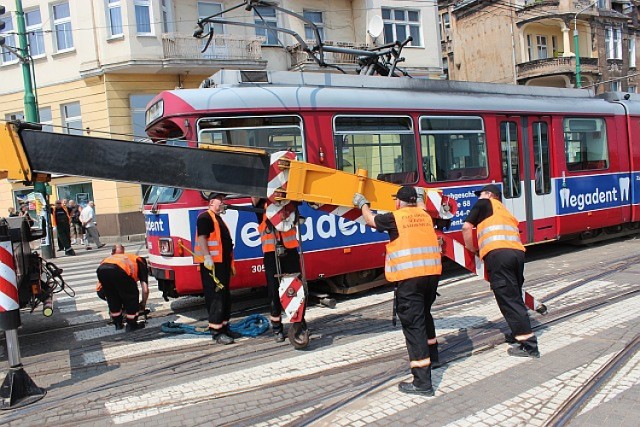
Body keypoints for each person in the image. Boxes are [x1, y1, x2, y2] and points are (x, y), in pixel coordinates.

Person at [353, 185, 442, 396]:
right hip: (431, 276)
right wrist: (421, 196)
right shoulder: (424, 215)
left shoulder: (396, 217)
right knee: (424, 316)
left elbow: (371, 220)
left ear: (398, 202)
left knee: (414, 326)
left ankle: (422, 383)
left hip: (410, 280)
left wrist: (362, 204)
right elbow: (420, 205)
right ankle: (434, 358)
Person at [461, 183, 540, 358]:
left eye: (480, 194)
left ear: (489, 194)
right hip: (517, 254)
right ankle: (517, 333)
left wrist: (471, 248)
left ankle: (529, 346)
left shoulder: (484, 204)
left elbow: (466, 227)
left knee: (508, 299)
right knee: (515, 297)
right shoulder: (504, 211)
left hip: (498, 255)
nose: (478, 198)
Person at [252, 197, 301, 342]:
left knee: (295, 287)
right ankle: (277, 327)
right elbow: (254, 198)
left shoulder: (290, 203)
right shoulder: (261, 205)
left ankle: (298, 323)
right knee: (274, 291)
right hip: (271, 253)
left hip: (290, 250)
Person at [195, 193, 236, 345]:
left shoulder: (219, 219)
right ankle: (217, 332)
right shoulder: (205, 217)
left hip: (221, 264)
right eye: (221, 200)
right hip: (212, 266)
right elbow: (202, 238)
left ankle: (224, 327)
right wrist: (207, 257)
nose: (223, 202)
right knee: (216, 297)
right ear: (212, 202)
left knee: (224, 296)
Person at [96, 244, 149, 332]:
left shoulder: (111, 258)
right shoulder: (140, 261)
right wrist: (142, 304)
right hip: (119, 272)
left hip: (101, 272)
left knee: (112, 296)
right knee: (131, 296)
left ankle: (117, 323)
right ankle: (132, 324)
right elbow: (145, 289)